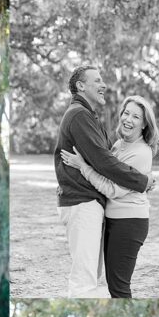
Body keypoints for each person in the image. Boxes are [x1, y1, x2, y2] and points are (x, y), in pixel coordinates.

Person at [54, 66, 152, 298]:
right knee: (84, 280)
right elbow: (104, 160)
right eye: (97, 80)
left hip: (93, 205)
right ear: (81, 86)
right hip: (82, 202)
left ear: (145, 124)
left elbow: (103, 161)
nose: (104, 85)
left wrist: (142, 179)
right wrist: (141, 180)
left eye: (136, 116)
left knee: (93, 278)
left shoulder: (85, 115)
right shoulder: (79, 114)